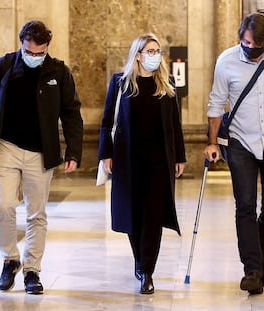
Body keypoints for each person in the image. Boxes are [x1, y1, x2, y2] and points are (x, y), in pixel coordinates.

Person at [0, 20, 83, 295]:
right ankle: (10, 259)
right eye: (29, 52)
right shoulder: (2, 67)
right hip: (6, 147)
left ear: (46, 49)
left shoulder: (59, 72)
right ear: (22, 44)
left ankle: (32, 270)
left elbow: (71, 113)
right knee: (4, 206)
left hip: (41, 154)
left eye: (39, 53)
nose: (34, 58)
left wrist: (74, 151)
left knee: (36, 214)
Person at [204, 13, 264, 295]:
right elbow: (216, 104)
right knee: (245, 206)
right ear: (240, 39)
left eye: (258, 45)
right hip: (240, 143)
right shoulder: (226, 60)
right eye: (247, 43)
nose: (252, 49)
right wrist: (212, 142)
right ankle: (253, 270)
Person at [98, 33, 186, 294]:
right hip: (128, 159)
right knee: (132, 215)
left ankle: (147, 270)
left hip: (159, 161)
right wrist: (106, 154)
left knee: (153, 216)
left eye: (157, 51)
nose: (155, 55)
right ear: (138, 55)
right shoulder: (121, 83)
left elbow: (175, 125)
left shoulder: (167, 84)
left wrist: (179, 157)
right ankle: (139, 260)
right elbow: (106, 122)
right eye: (150, 51)